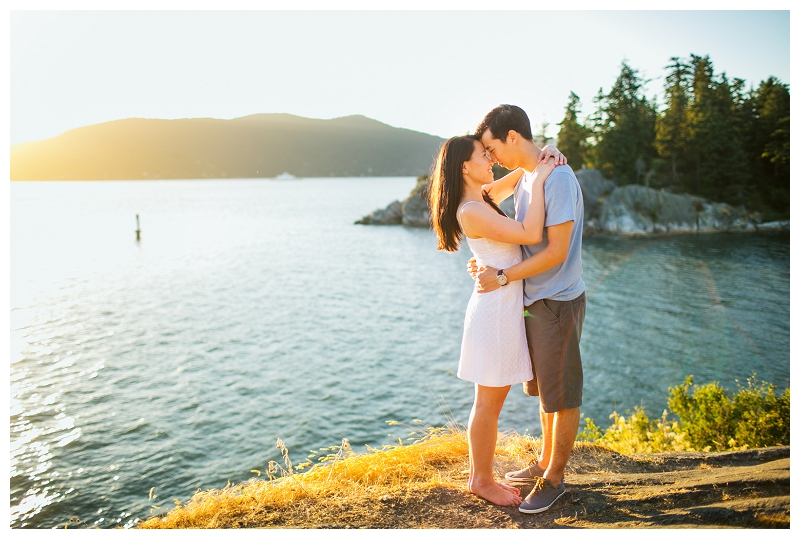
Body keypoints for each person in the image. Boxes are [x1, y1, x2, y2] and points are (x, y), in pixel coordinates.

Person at [428, 134, 565, 506]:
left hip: (503, 307)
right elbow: (531, 232)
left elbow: (524, 170)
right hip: (494, 314)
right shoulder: (471, 209)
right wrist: (543, 175)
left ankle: (481, 476)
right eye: (482, 155)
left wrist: (548, 151)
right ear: (464, 167)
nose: (490, 159)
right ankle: (481, 480)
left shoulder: (483, 196)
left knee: (490, 402)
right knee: (488, 404)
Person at [468, 104, 586, 514]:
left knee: (563, 393)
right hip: (532, 302)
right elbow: (483, 204)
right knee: (544, 392)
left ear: (512, 137)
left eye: (491, 147)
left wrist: (502, 277)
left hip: (557, 300)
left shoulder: (558, 180)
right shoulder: (530, 177)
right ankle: (542, 462)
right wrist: (489, 262)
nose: (490, 157)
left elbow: (555, 252)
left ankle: (555, 479)